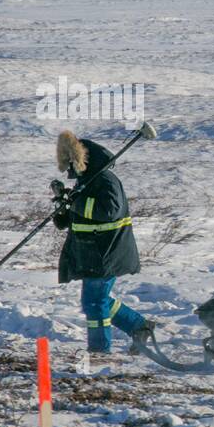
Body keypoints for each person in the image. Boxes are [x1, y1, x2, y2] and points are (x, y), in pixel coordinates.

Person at [53, 130, 154, 354]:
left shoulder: (105, 179)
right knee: (96, 299)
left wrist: (76, 203)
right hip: (93, 252)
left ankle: (99, 352)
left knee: (94, 302)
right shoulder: (87, 180)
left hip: (107, 252)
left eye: (71, 163)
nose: (69, 170)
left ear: (79, 159)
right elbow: (83, 215)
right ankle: (139, 326)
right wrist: (64, 213)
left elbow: (108, 211)